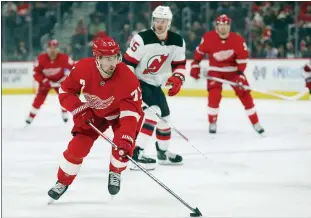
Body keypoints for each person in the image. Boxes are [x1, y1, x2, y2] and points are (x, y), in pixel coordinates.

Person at [47, 36, 144, 200]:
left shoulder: (128, 77)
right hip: (94, 112)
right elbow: (66, 92)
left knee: (122, 150)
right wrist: (79, 109)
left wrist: (126, 138)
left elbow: (130, 115)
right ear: (97, 58)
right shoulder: (83, 68)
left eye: (115, 57)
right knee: (77, 148)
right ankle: (63, 181)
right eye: (107, 58)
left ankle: (116, 171)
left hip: (122, 115)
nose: (112, 63)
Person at [123, 6, 186, 170]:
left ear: (169, 22)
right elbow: (128, 64)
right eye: (157, 20)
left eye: (163, 21)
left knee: (165, 118)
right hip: (138, 80)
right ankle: (137, 154)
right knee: (154, 112)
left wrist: (178, 79)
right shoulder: (141, 38)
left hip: (155, 83)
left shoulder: (178, 41)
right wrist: (131, 86)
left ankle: (163, 153)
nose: (159, 24)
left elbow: (180, 65)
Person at [190, 14, 265, 134]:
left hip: (233, 71)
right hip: (215, 71)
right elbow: (199, 53)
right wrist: (195, 65)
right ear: (216, 26)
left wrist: (240, 75)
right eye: (220, 25)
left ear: (229, 26)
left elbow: (242, 60)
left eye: (225, 25)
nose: (223, 28)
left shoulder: (237, 40)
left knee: (245, 95)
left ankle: (256, 123)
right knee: (214, 96)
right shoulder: (208, 37)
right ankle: (212, 122)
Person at [26, 40, 74, 125]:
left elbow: (73, 69)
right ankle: (31, 116)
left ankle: (64, 111)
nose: (52, 50)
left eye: (54, 48)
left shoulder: (65, 58)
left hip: (60, 82)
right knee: (39, 99)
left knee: (65, 97)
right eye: (50, 48)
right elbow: (36, 72)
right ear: (47, 49)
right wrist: (44, 81)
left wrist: (66, 78)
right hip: (45, 83)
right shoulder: (41, 59)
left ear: (58, 49)